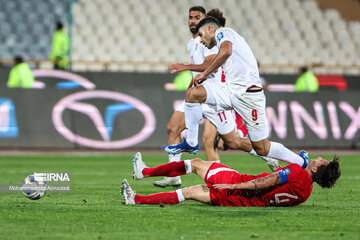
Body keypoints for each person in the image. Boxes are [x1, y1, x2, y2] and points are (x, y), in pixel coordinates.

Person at [165, 17, 309, 168]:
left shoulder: (223, 32)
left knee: (262, 148)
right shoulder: (217, 44)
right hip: (229, 90)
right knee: (193, 94)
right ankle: (191, 143)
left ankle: (301, 161)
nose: (200, 40)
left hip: (249, 95)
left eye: (201, 35)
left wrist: (205, 73)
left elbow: (226, 51)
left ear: (210, 30)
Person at [122, 152, 341, 206]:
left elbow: (267, 182)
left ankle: (145, 172)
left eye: (322, 161)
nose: (319, 158)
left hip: (238, 185)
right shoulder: (306, 193)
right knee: (188, 192)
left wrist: (232, 184)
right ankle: (136, 199)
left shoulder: (298, 172)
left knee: (196, 163)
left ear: (316, 169)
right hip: (239, 200)